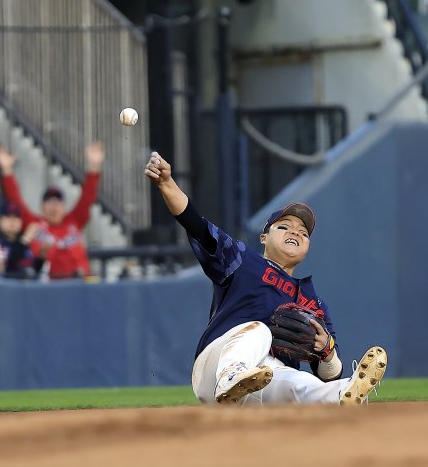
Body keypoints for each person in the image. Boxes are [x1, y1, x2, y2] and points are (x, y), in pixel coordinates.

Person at [143, 150, 387, 405]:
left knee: (302, 384)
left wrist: (327, 352)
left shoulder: (313, 304)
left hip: (265, 379)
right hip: (215, 368)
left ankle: (344, 395)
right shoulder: (243, 261)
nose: (295, 231)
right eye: (284, 226)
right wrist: (166, 183)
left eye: (303, 232)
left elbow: (327, 373)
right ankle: (233, 375)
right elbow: (196, 224)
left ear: (307, 246)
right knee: (259, 330)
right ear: (264, 238)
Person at [0, 142, 104, 279]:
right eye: (49, 202)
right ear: (42, 207)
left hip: (79, 284)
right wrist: (7, 170)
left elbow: (87, 198)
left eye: (57, 202)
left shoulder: (74, 220)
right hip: (49, 285)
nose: (54, 206)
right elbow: (15, 200)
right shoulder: (34, 223)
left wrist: (94, 167)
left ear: (64, 206)